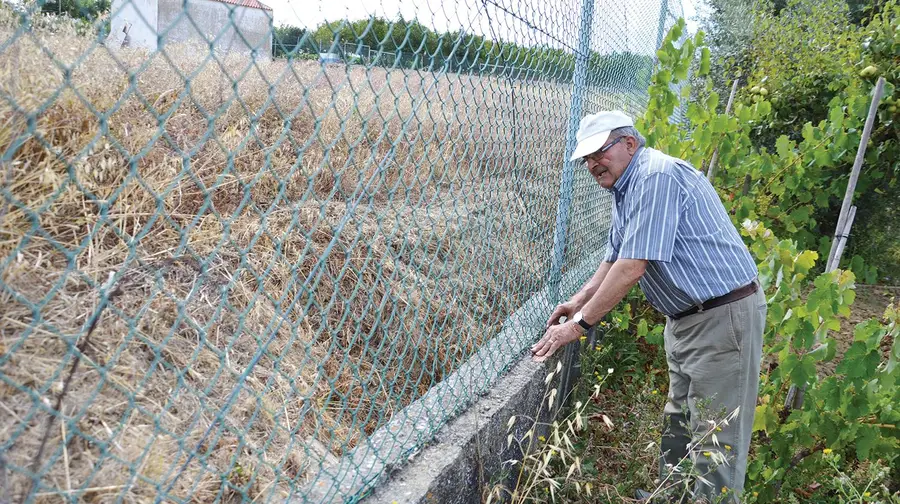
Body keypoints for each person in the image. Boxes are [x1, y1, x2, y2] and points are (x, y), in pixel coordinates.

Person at [530, 111, 766, 503]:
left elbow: (631, 268)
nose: (592, 165)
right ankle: (669, 496)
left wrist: (578, 326)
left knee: (717, 435)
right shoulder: (627, 186)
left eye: (598, 153)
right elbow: (613, 259)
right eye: (586, 159)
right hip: (688, 319)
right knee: (679, 419)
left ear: (628, 143)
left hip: (722, 318)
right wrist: (577, 301)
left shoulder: (654, 177)